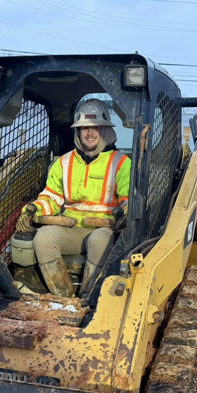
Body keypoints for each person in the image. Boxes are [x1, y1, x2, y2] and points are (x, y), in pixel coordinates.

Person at [16, 99, 130, 296]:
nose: (89, 133)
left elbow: (128, 201)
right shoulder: (64, 162)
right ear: (77, 131)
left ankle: (89, 296)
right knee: (43, 238)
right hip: (70, 228)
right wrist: (32, 209)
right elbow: (51, 197)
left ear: (105, 130)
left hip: (103, 229)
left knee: (100, 240)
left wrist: (126, 216)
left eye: (95, 127)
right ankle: (63, 297)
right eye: (84, 127)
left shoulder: (120, 163)